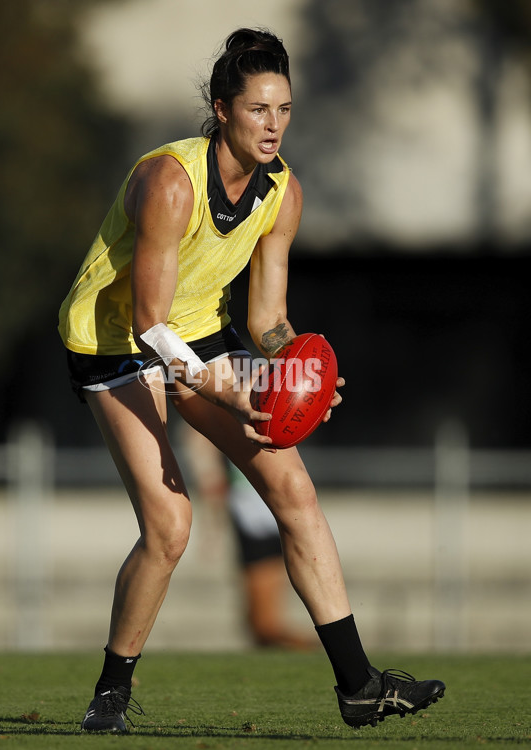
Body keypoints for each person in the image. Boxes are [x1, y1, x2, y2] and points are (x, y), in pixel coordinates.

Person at [58, 28, 445, 732]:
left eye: (285, 109)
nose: (274, 125)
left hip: (199, 328)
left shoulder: (283, 193)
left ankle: (359, 685)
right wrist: (224, 387)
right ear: (223, 109)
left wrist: (301, 365)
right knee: (171, 525)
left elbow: (267, 320)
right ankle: (110, 693)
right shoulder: (170, 182)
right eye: (260, 109)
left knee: (294, 490)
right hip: (115, 339)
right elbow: (149, 324)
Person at [181, 422, 318, 650]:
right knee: (260, 623)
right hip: (258, 510)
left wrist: (210, 529)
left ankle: (316, 649)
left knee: (264, 626)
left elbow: (206, 468)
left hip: (257, 513)